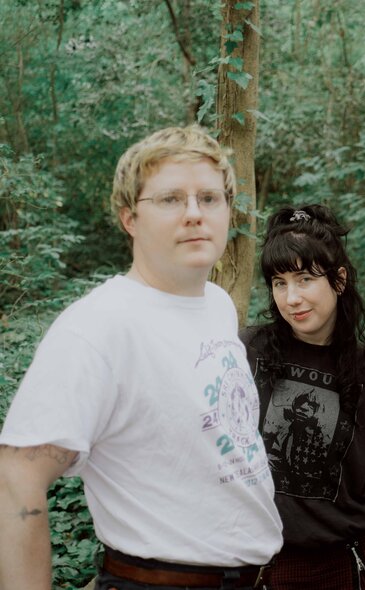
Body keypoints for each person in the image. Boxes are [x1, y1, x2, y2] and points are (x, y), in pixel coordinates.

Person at [0, 126, 283, 590]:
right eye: (170, 199)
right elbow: (16, 478)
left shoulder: (215, 304)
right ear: (130, 218)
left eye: (209, 198)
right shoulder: (99, 326)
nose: (195, 214)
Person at [239, 203, 365, 590]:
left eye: (304, 279)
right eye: (280, 283)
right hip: (259, 569)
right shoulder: (248, 352)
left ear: (338, 280)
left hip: (348, 567)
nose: (291, 298)